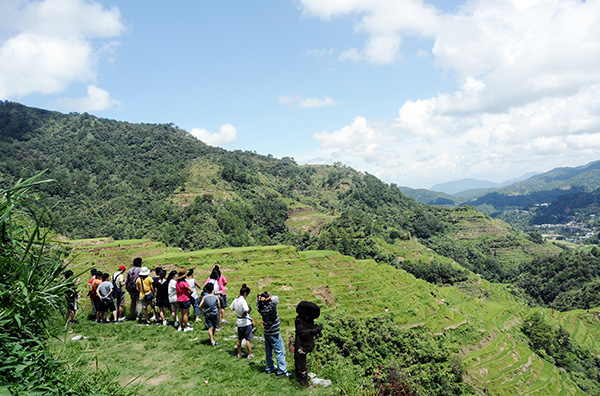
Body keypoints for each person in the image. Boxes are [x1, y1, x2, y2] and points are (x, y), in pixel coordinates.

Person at [257, 291, 289, 377]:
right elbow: (276, 299)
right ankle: (282, 371)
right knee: (280, 352)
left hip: (267, 332)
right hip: (274, 332)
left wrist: (259, 299)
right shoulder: (271, 307)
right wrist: (268, 297)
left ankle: (269, 368)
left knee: (268, 351)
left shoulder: (261, 308)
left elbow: (258, 303)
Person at [294, 301, 323, 386]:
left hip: (304, 345)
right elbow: (302, 332)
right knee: (300, 364)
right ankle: (303, 383)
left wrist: (316, 329)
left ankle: (303, 384)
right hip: (303, 344)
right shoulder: (300, 320)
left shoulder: (306, 320)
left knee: (300, 363)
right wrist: (316, 329)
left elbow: (305, 332)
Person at [230, 284, 253, 359]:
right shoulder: (243, 301)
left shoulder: (235, 300)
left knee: (239, 338)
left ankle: (239, 353)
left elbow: (232, 307)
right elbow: (246, 310)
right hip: (245, 322)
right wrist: (246, 312)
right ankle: (249, 354)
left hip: (238, 321)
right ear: (245, 293)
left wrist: (238, 312)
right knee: (247, 339)